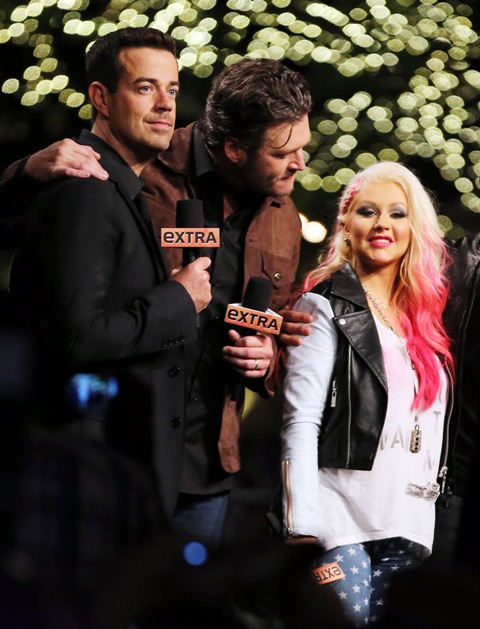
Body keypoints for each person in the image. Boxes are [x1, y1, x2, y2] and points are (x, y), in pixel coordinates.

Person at [1, 55, 312, 547]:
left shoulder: (285, 215)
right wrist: (23, 172)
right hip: (121, 448)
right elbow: (39, 253)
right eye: (284, 152)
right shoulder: (136, 168)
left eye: (302, 147)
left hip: (209, 467)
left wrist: (267, 356)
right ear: (235, 149)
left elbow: (274, 323)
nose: (300, 163)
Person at [279, 161, 454, 627]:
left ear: (414, 227)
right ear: (346, 224)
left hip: (409, 526)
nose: (382, 224)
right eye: (368, 211)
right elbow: (301, 420)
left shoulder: (426, 324)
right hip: (337, 526)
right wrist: (302, 525)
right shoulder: (323, 306)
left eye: (397, 213)